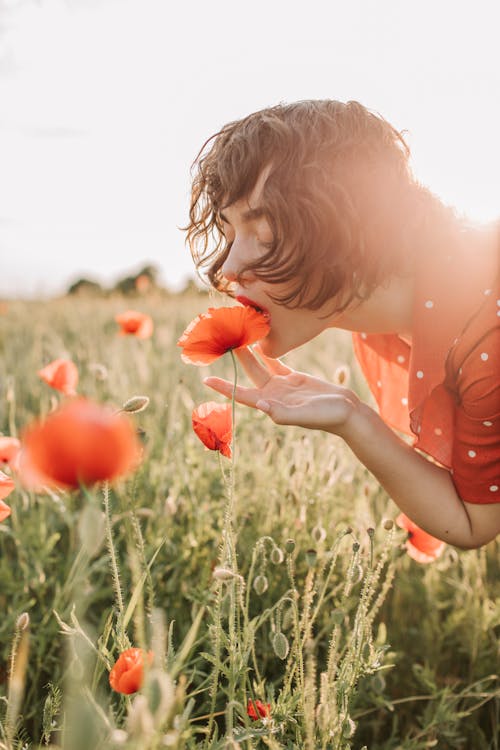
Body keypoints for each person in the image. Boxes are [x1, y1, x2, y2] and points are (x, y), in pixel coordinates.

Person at [185, 99, 499, 549]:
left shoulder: (488, 332)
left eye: (265, 233)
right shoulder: (376, 321)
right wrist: (353, 417)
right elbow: (474, 521)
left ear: (350, 227)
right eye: (230, 235)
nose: (229, 268)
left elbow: (474, 525)